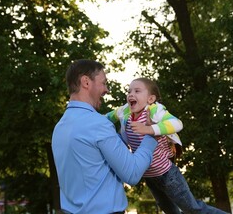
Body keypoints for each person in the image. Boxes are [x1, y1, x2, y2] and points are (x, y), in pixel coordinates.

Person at [106, 77, 227, 214]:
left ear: (150, 99)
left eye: (137, 91)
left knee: (192, 208)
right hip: (149, 175)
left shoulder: (155, 111)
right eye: (129, 91)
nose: (131, 94)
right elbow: (106, 118)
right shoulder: (125, 111)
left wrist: (150, 129)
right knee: (169, 210)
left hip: (168, 174)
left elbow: (177, 124)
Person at [52, 59, 158, 214]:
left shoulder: (59, 128)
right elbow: (132, 173)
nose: (106, 90)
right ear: (86, 82)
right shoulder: (97, 124)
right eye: (103, 83)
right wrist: (151, 133)